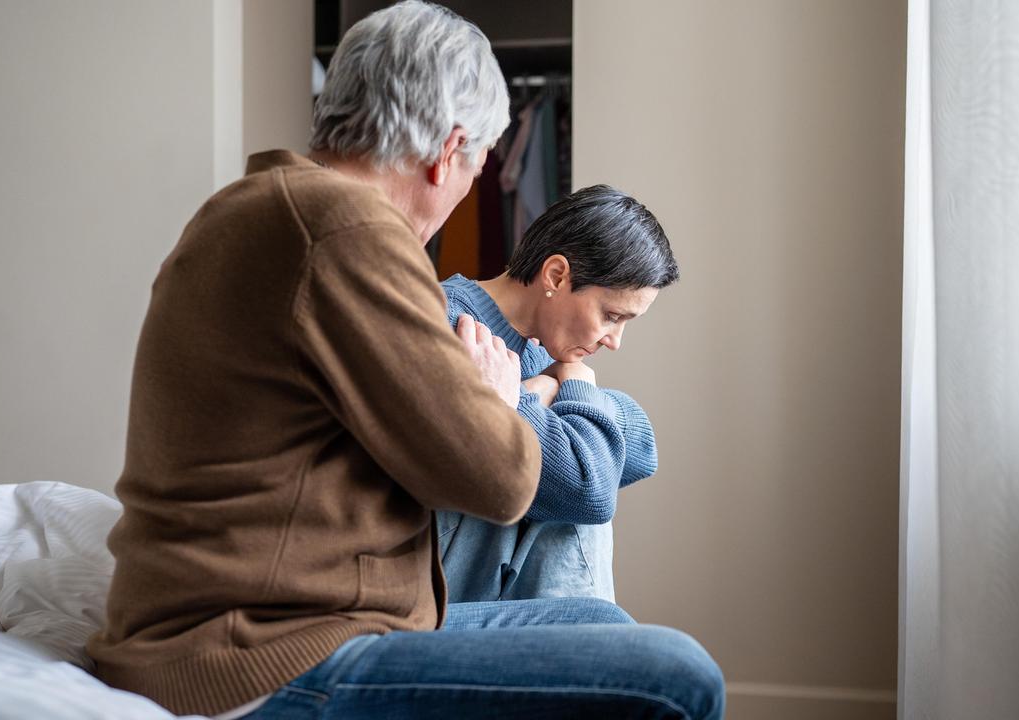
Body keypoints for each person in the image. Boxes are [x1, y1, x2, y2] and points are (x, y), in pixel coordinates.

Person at [84, 2, 724, 719]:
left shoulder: (253, 207)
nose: (464, 193)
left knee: (601, 630)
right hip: (260, 651)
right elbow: (505, 476)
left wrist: (521, 394)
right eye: (477, 167)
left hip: (278, 622)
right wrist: (506, 401)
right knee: (678, 675)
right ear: (448, 151)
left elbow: (601, 447)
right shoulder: (347, 232)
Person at [438, 184, 675, 604]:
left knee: (580, 461)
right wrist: (567, 395)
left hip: (485, 580)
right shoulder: (453, 326)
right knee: (572, 492)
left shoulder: (537, 351)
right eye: (611, 316)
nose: (614, 341)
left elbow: (644, 448)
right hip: (437, 586)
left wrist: (547, 386)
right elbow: (590, 490)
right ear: (556, 276)